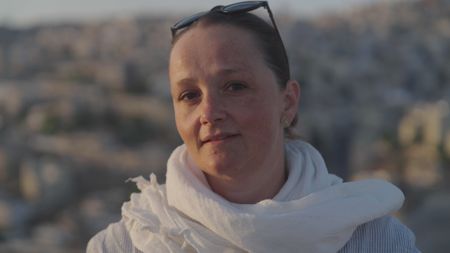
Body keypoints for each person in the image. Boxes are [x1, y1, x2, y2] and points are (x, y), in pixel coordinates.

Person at [87, 1, 420, 252]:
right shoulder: (131, 242)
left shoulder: (376, 241)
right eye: (189, 95)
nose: (209, 112)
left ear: (287, 101)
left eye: (235, 87)